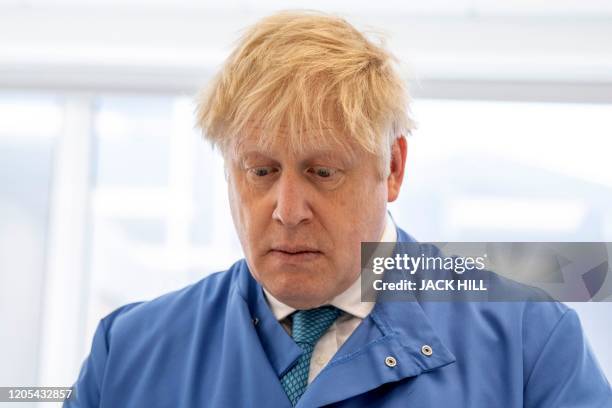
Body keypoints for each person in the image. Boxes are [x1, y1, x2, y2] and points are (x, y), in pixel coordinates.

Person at [66, 11, 612, 407]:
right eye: (261, 171)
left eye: (322, 172)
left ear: (392, 168)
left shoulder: (527, 342)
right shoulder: (130, 351)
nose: (287, 211)